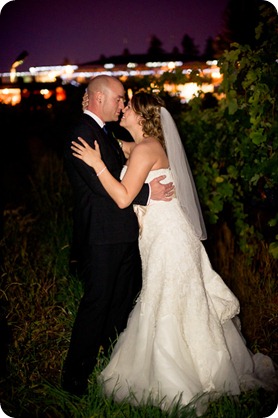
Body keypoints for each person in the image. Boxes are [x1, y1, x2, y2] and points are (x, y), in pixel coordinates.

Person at [71, 91, 278, 414]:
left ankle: (183, 377)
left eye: (129, 106)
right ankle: (201, 364)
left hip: (168, 239)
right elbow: (118, 148)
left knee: (168, 298)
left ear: (142, 116)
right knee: (177, 299)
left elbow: (124, 198)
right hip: (162, 237)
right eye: (120, 103)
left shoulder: (146, 148)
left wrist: (97, 165)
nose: (123, 108)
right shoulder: (145, 146)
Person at [62, 76, 174, 396]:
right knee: (97, 304)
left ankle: (114, 361)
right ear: (99, 98)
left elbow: (129, 158)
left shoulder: (107, 132)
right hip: (101, 234)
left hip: (124, 234)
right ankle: (75, 376)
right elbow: (102, 185)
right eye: (119, 98)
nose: (122, 103)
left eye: (125, 100)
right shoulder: (81, 132)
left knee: (121, 302)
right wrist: (149, 192)